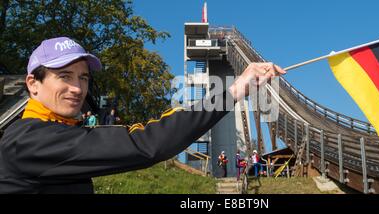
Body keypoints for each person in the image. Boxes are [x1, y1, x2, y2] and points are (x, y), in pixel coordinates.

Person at [0, 36, 285, 193]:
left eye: (83, 78)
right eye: (64, 76)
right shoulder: (30, 140)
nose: (77, 88)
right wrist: (233, 91)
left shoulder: (57, 130)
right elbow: (147, 142)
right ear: (32, 84)